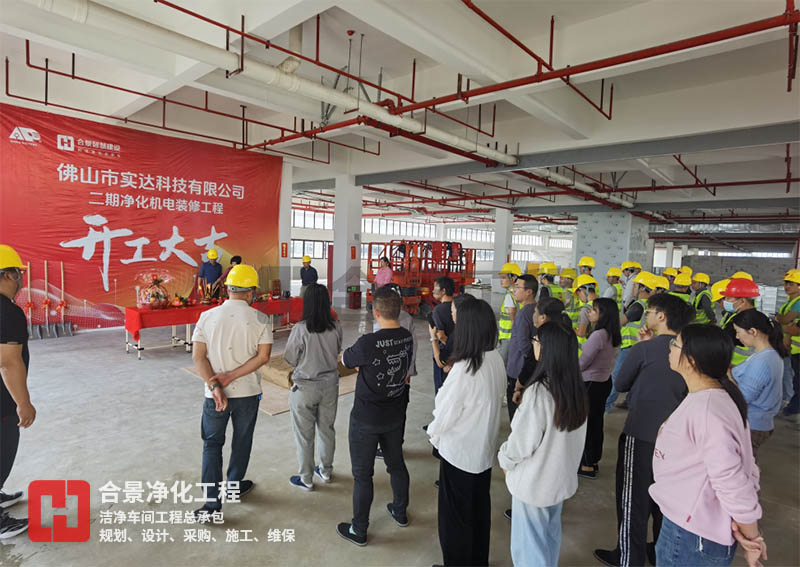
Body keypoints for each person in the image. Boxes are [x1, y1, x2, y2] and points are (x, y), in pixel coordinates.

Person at [651, 325, 766, 567]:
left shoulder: (708, 410)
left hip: (691, 535)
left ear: (691, 360)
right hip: (690, 525)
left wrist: (751, 536)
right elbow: (748, 465)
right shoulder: (712, 397)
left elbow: (732, 480)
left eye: (675, 344)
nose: (669, 349)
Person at [594, 293, 694, 567]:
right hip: (678, 440)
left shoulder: (645, 350)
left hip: (641, 435)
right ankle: (658, 551)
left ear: (661, 316)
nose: (646, 316)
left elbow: (621, 383)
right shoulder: (691, 350)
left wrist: (642, 349)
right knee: (666, 499)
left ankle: (628, 557)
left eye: (650, 312)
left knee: (633, 499)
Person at [499, 321, 588, 567]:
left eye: (536, 341)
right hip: (558, 481)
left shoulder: (540, 392)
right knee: (548, 539)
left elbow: (520, 444)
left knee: (529, 550)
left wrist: (504, 460)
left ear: (549, 349)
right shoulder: (575, 388)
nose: (533, 344)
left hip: (535, 484)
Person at [427, 299, 505, 567]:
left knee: (455, 520)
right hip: (483, 452)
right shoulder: (495, 358)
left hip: (460, 454)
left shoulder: (465, 368)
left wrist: (434, 437)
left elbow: (444, 412)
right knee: (478, 513)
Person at [192, 264, 273, 517]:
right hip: (248, 393)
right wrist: (232, 376)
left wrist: (215, 385)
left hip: (214, 396)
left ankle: (211, 505)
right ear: (250, 292)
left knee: (212, 444)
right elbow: (263, 357)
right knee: (242, 440)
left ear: (228, 289)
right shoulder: (261, 319)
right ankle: (234, 486)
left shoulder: (207, 316)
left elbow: (198, 357)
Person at [337, 287, 413, 546]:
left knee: (362, 475)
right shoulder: (407, 337)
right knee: (396, 465)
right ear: (399, 311)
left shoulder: (368, 342)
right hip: (395, 414)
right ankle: (400, 511)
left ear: (376, 313)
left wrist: (363, 365)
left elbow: (346, 360)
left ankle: (359, 530)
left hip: (366, 419)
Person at [284, 283, 343, 490]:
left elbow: (290, 358)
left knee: (304, 435)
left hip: (304, 388)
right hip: (330, 386)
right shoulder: (336, 327)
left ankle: (306, 478)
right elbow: (338, 350)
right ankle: (326, 471)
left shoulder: (300, 329)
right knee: (327, 430)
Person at [0, 245, 32, 539]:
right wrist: (23, 403)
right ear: (8, 275)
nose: (21, 279)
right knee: (3, 449)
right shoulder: (8, 312)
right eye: (18, 273)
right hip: (1, 402)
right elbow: (9, 363)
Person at [732, 309, 787, 456]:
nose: (737, 337)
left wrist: (727, 377)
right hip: (756, 421)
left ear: (753, 331)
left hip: (753, 423)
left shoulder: (763, 361)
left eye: (738, 332)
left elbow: (743, 397)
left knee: (743, 463)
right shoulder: (766, 354)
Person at [578, 298, 620, 479]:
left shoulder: (598, 335)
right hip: (603, 381)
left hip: (590, 384)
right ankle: (593, 460)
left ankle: (586, 464)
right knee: (596, 423)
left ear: (603, 314)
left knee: (586, 425)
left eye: (594, 310)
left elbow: (582, 363)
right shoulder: (612, 334)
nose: (590, 313)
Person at [606, 272, 658, 412]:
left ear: (642, 288)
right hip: (641, 345)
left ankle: (606, 405)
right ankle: (629, 401)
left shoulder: (638, 306)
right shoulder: (650, 305)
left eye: (635, 285)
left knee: (616, 376)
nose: (633, 288)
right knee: (636, 376)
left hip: (629, 346)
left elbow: (620, 322)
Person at [506, 275, 538, 420]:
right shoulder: (537, 310)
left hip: (518, 370)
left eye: (518, 287)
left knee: (516, 414)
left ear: (528, 292)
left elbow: (524, 345)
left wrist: (528, 365)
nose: (514, 290)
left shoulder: (524, 314)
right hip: (529, 370)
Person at [720, 278, 760, 367]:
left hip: (736, 366)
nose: (725, 300)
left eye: (728, 298)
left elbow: (723, 345)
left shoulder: (740, 322)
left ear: (742, 301)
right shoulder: (757, 316)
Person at [777, 269, 800, 422]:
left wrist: (780, 319)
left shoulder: (798, 302)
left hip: (796, 347)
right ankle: (789, 403)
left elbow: (785, 319)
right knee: (788, 373)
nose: (787, 286)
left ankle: (792, 408)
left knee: (794, 378)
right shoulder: (790, 301)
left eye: (791, 284)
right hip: (789, 344)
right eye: (786, 283)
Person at [431, 277, 456, 393]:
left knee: (441, 389)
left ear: (443, 291)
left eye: (435, 288)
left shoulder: (438, 310)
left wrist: (433, 337)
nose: (433, 291)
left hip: (443, 355)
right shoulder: (458, 306)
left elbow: (440, 335)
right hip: (459, 354)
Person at [497, 263, 521, 363]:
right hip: (515, 336)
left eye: (504, 278)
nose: (501, 280)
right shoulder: (518, 294)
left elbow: (513, 318)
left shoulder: (509, 296)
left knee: (502, 363)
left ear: (513, 279)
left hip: (507, 337)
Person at [573, 274, 599, 343]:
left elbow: (581, 333)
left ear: (581, 291)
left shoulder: (586, 309)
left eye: (578, 294)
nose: (579, 297)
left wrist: (571, 328)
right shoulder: (603, 303)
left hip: (588, 345)